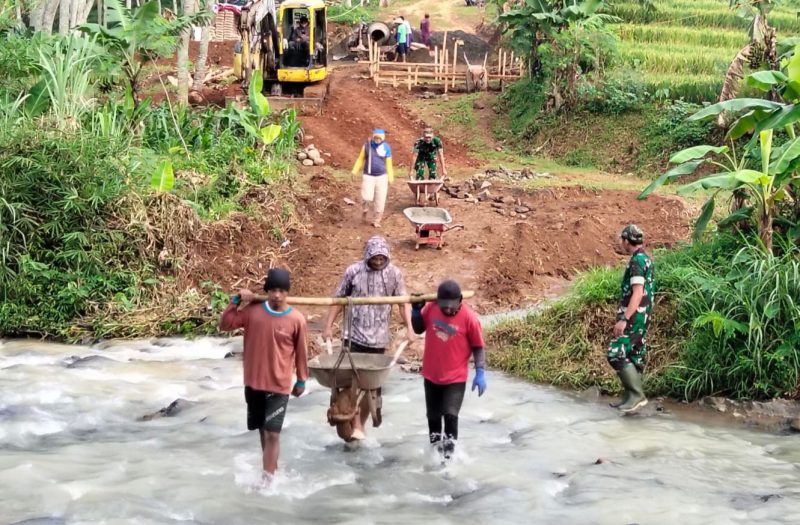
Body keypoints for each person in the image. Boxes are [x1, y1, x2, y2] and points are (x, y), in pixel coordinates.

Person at [323, 235, 415, 440]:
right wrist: (328, 326)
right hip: (352, 337)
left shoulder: (394, 274)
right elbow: (338, 300)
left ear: (387, 256)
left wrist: (410, 328)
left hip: (378, 340)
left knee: (370, 386)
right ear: (367, 256)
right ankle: (352, 421)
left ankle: (360, 425)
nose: (378, 261)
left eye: (382, 257)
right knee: (350, 383)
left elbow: (403, 302)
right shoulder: (354, 272)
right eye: (374, 257)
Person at [219, 268, 309, 479]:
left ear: (287, 292)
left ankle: (267, 481)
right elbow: (225, 325)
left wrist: (302, 380)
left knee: (272, 433)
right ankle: (271, 469)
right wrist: (236, 300)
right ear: (267, 291)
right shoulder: (253, 312)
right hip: (254, 381)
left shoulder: (297, 320)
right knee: (262, 429)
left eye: (281, 290)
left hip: (279, 384)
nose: (277, 295)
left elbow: (302, 352)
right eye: (273, 290)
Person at [411, 280, 486, 460]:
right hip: (431, 375)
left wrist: (480, 371)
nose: (448, 310)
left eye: (452, 307)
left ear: (460, 300)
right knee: (434, 418)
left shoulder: (469, 318)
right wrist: (415, 311)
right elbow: (418, 328)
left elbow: (478, 346)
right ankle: (435, 459)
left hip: (455, 378)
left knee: (450, 416)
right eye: (444, 306)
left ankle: (449, 459)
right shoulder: (431, 308)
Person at [607, 224, 654, 413]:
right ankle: (630, 398)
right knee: (633, 355)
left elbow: (637, 293)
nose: (621, 243)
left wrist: (625, 318)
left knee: (615, 352)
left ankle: (637, 396)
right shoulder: (645, 259)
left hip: (634, 317)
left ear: (627, 241)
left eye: (622, 240)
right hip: (643, 316)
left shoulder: (636, 262)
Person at [351, 128, 393, 228]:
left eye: (379, 138)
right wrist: (354, 171)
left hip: (382, 177)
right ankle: (365, 209)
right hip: (368, 176)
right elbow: (360, 159)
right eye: (376, 138)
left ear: (383, 139)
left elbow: (389, 164)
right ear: (373, 137)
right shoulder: (367, 146)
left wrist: (390, 177)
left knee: (380, 200)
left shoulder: (386, 148)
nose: (377, 140)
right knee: (366, 197)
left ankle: (376, 220)